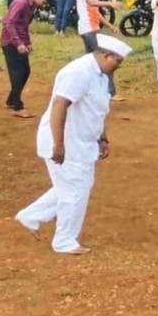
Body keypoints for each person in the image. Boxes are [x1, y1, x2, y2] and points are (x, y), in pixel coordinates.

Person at [15, 35, 132, 254]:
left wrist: (102, 137)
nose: (118, 66)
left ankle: (30, 216)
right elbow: (60, 105)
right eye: (117, 61)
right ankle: (64, 242)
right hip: (64, 141)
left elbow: (95, 108)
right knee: (74, 192)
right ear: (106, 55)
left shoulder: (100, 74)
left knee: (76, 187)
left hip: (82, 141)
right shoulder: (79, 72)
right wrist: (58, 144)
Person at [76, 0, 123, 95]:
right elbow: (91, 2)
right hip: (89, 29)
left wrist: (109, 25)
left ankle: (86, 89)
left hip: (89, 29)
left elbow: (95, 12)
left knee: (91, 61)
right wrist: (109, 4)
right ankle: (109, 92)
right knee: (107, 59)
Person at [0, 0, 46, 118]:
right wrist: (19, 43)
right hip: (10, 42)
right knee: (17, 72)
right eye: (43, 1)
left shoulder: (31, 6)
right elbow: (9, 23)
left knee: (25, 71)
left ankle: (11, 100)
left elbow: (23, 26)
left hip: (20, 42)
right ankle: (17, 105)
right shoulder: (21, 3)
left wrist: (27, 42)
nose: (42, 4)